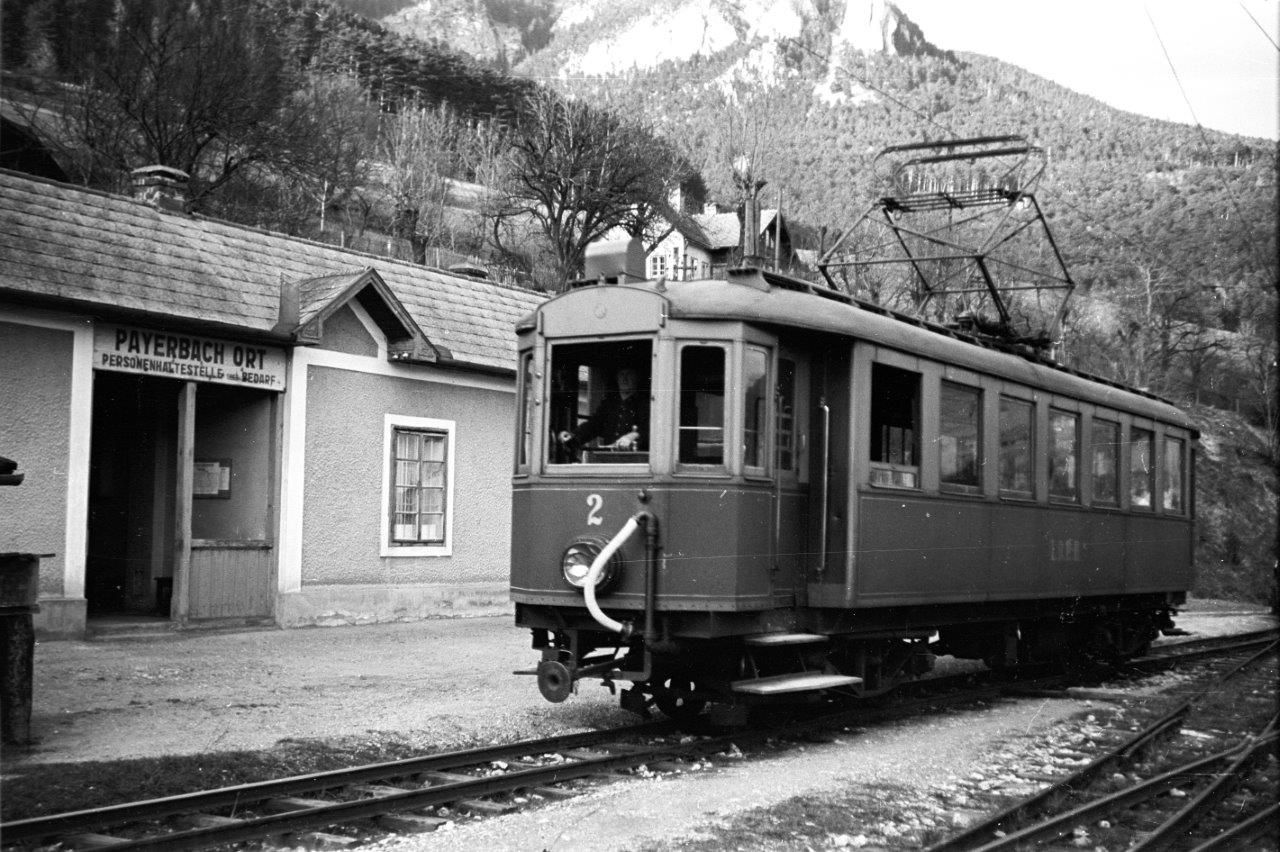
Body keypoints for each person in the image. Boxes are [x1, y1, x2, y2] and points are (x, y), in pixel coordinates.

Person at [559, 367, 648, 452]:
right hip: (608, 459)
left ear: (637, 378)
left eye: (629, 374)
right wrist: (572, 436)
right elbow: (593, 425)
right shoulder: (609, 404)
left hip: (635, 462)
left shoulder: (646, 404)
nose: (624, 378)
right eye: (621, 374)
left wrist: (633, 436)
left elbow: (650, 430)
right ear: (617, 378)